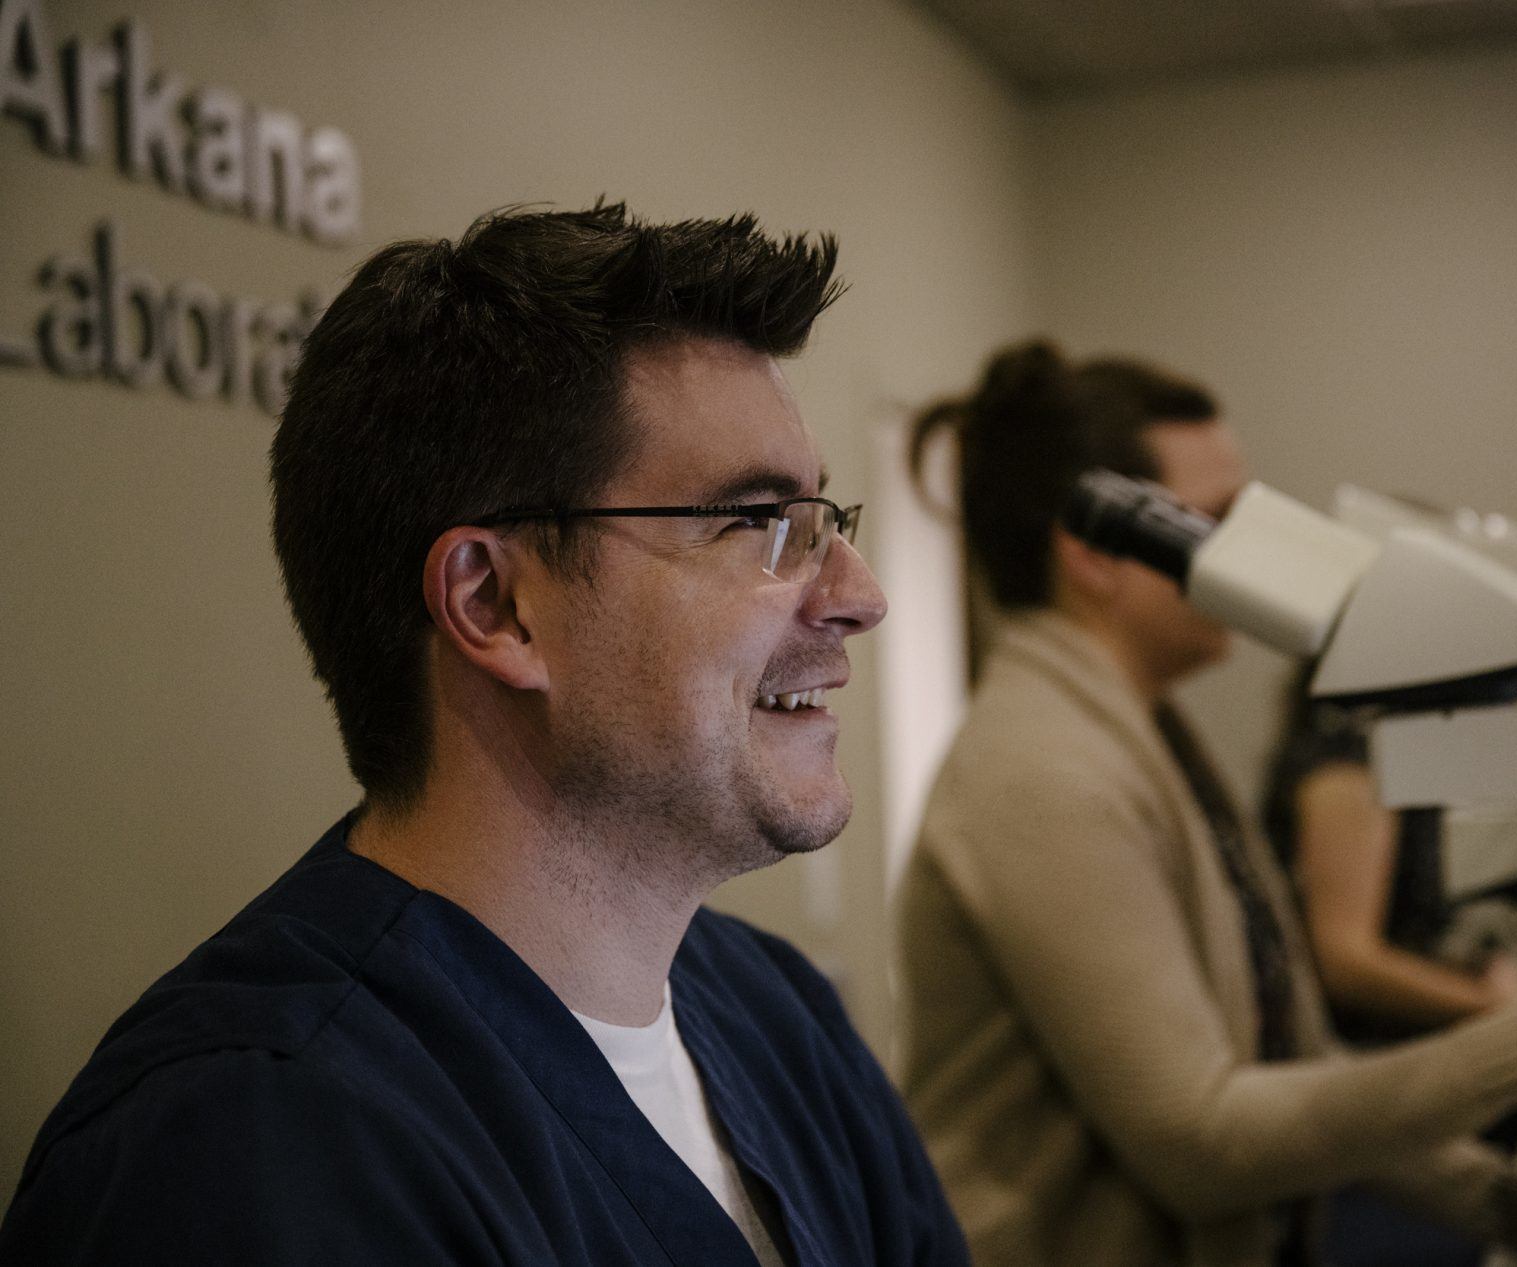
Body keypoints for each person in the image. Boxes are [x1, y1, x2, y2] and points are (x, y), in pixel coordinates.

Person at [2, 204, 967, 1266]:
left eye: (827, 521)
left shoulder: (777, 1017)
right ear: (495, 606)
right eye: (759, 522)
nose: (860, 596)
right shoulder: (249, 1150)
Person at [895, 340, 1517, 1267]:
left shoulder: (1147, 733)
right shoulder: (1044, 770)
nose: (1250, 560)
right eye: (1219, 521)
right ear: (1094, 546)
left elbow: (1291, 1068)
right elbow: (1203, 1141)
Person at [1262, 671, 1517, 1049]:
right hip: (1364, 1047)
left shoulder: (1371, 751)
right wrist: (1501, 1007)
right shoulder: (1348, 773)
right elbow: (1346, 963)